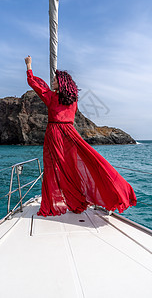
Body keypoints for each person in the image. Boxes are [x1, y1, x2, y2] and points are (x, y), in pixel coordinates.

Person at [24, 55, 137, 217]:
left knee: (54, 169)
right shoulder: (73, 99)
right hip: (71, 133)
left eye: (55, 80)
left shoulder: (51, 97)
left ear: (61, 83)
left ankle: (62, 202)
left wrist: (29, 66)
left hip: (55, 133)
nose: (53, 82)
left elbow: (34, 84)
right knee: (85, 162)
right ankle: (114, 193)